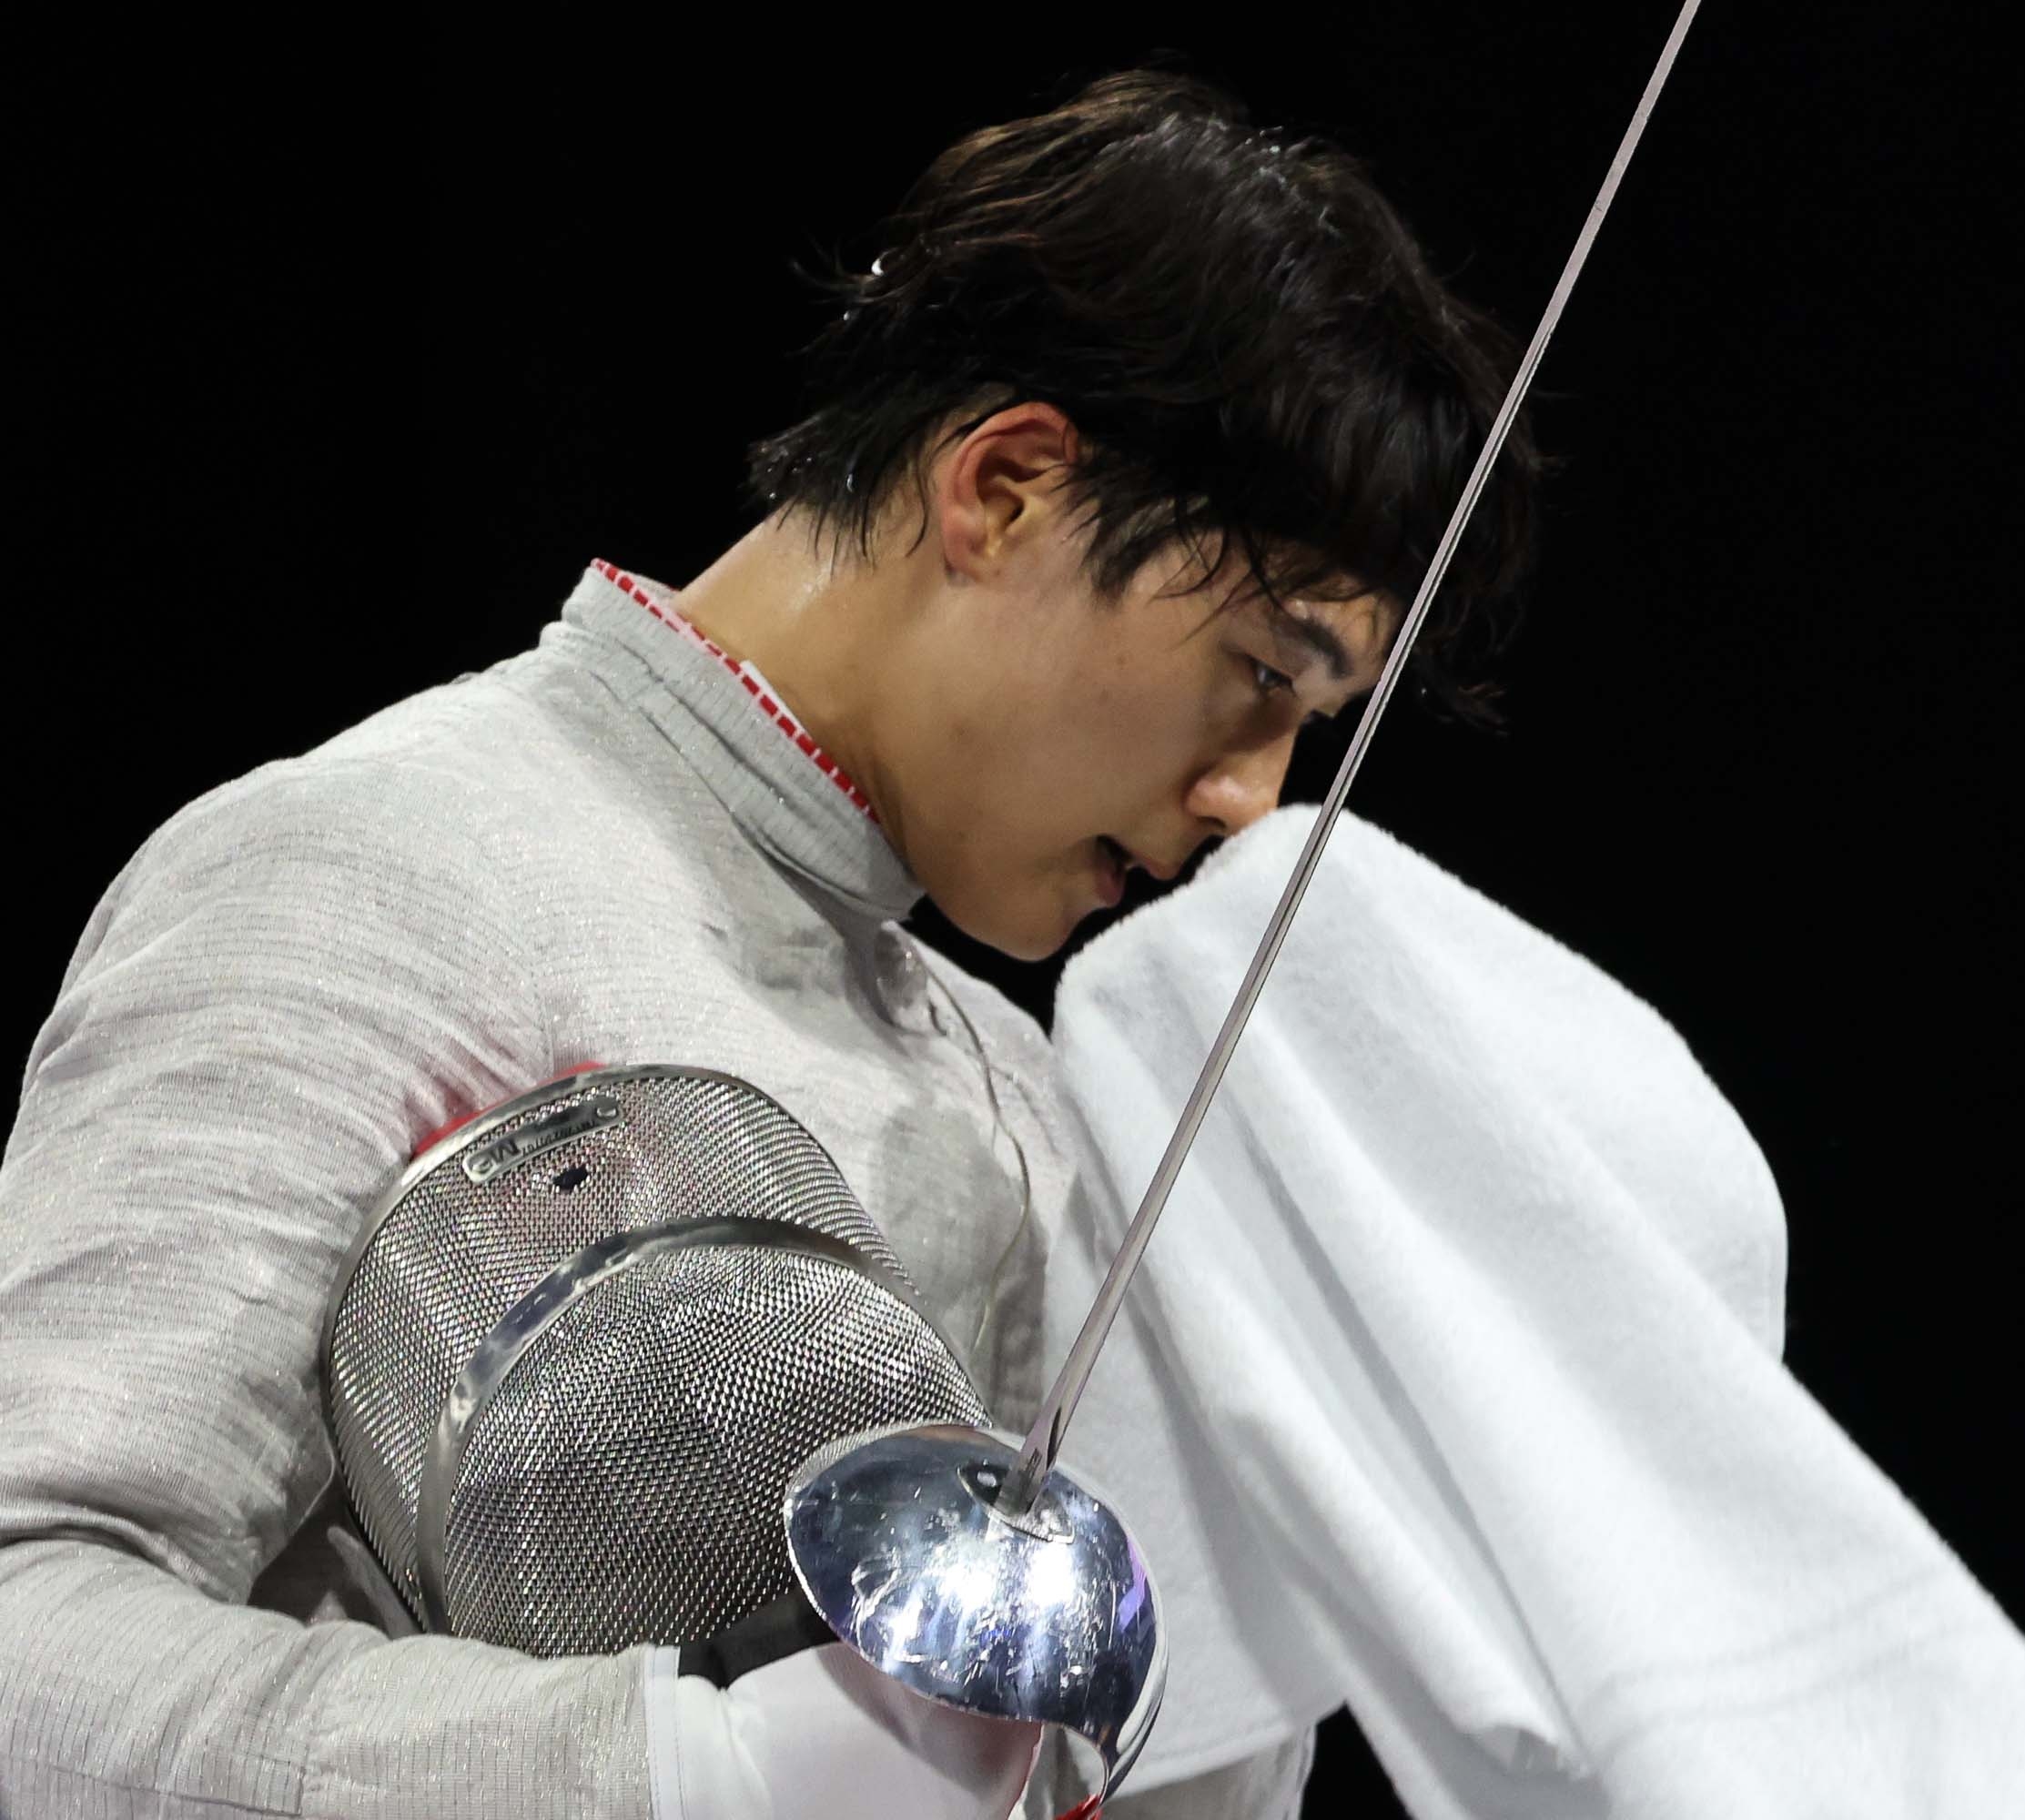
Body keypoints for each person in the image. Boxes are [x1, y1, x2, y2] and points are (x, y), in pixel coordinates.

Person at [0, 66, 1549, 1820]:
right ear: (1008, 489)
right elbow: (28, 1641)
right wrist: (671, 1774)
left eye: (1309, 728)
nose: (1251, 799)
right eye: (1263, 674)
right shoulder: (377, 867)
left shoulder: (1031, 1103)